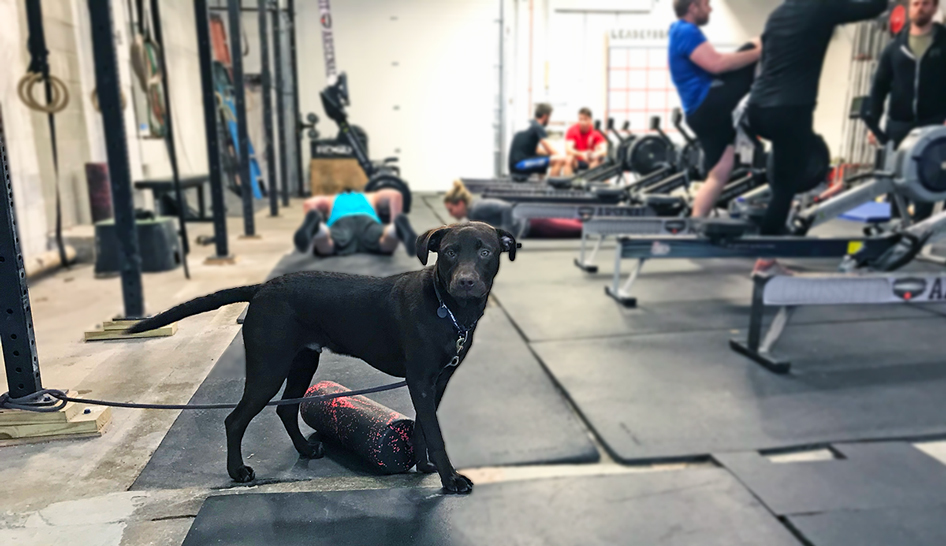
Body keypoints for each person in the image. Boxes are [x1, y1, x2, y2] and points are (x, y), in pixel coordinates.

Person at [746, 0, 888, 276]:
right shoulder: (821, 7)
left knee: (784, 171)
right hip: (791, 109)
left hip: (759, 109)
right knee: (784, 188)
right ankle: (766, 260)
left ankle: (773, 240)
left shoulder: (778, 14)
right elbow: (875, 6)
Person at [669, 0, 761, 218]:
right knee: (758, 47)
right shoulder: (686, 30)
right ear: (693, 7)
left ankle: (695, 224)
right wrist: (759, 53)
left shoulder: (679, 31)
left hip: (702, 112)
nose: (710, 9)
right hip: (709, 104)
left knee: (720, 173)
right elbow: (717, 64)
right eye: (706, 4)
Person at [867, 0, 946, 221]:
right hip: (898, 123)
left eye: (926, 4)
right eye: (916, 3)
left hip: (933, 123)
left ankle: (920, 232)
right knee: (895, 177)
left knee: (928, 178)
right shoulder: (894, 47)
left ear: (934, 8)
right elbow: (879, 87)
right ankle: (892, 227)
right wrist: (873, 124)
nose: (920, 8)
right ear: (910, 8)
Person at [292, 188, 417, 257]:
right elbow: (395, 195)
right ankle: (395, 229)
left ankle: (318, 228)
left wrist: (313, 213)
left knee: (326, 247)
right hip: (367, 220)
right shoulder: (369, 196)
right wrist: (394, 218)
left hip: (341, 221)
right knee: (385, 245)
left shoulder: (332, 199)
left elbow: (309, 203)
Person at [442, 180, 582, 238]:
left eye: (451, 209)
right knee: (575, 226)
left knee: (579, 228)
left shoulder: (478, 208)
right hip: (530, 226)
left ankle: (592, 221)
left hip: (532, 223)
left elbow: (507, 208)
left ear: (460, 203)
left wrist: (509, 234)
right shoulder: (472, 212)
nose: (451, 214)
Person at [508, 103, 568, 179]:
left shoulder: (530, 124)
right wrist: (564, 158)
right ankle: (551, 188)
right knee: (559, 159)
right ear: (545, 116)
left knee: (544, 158)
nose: (549, 120)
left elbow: (536, 149)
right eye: (549, 117)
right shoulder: (538, 127)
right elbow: (550, 150)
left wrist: (548, 155)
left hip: (515, 164)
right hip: (520, 165)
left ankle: (541, 186)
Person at [564, 108, 609, 175]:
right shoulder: (572, 130)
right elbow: (568, 150)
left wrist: (594, 154)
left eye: (585, 119)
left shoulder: (595, 130)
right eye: (580, 119)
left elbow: (605, 150)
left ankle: (601, 183)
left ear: (590, 120)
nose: (582, 122)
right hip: (576, 161)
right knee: (569, 158)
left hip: (590, 161)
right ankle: (566, 184)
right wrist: (582, 154)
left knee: (601, 160)